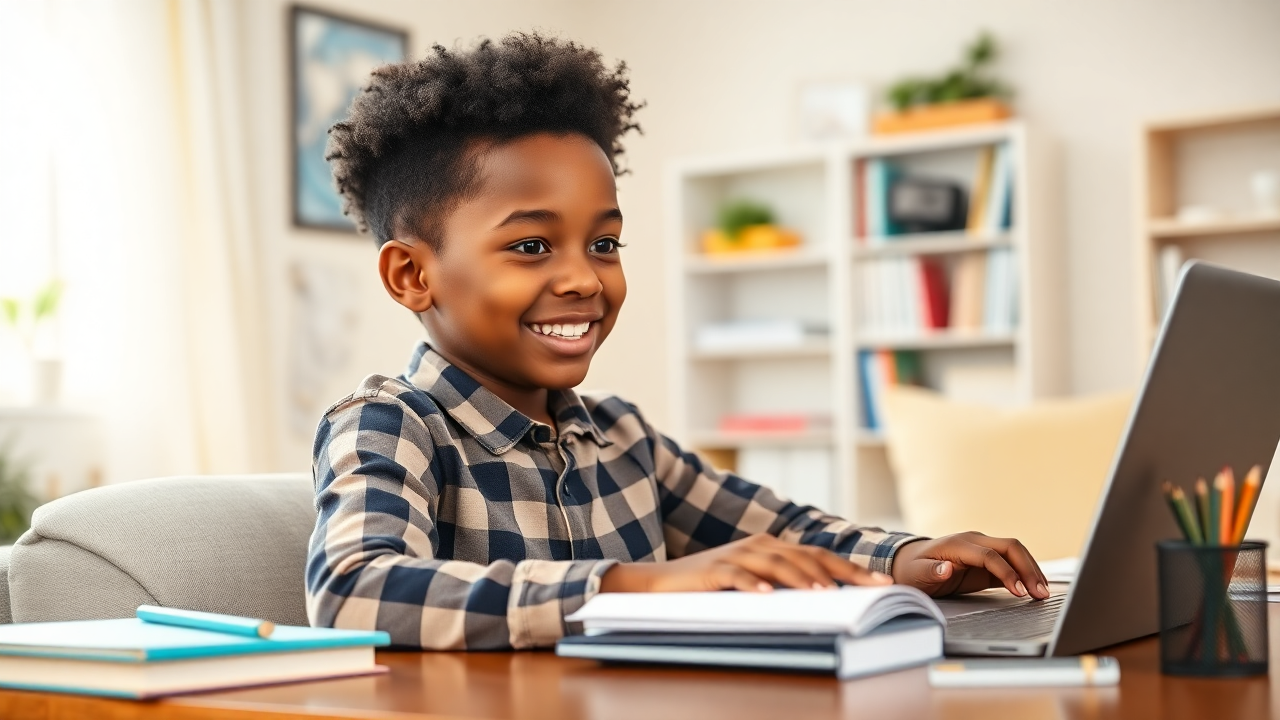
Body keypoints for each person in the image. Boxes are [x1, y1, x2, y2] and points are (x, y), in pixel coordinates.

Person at [306, 33, 1048, 650]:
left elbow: (779, 530)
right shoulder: (392, 423)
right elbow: (353, 590)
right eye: (532, 246)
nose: (584, 280)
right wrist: (634, 587)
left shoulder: (621, 437)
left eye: (604, 243)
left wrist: (909, 559)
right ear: (411, 274)